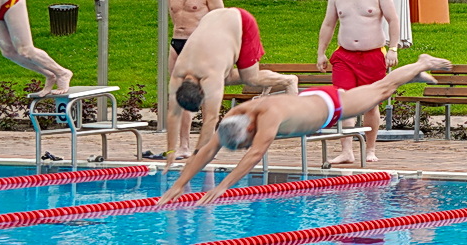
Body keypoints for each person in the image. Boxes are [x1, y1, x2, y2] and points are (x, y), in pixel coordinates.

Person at [159, 54, 452, 204]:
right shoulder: (236, 116)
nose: (247, 146)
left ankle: (420, 63)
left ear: (248, 130)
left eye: (246, 142)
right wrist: (178, 184)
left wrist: (223, 186)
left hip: (333, 106)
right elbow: (207, 151)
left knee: (381, 88)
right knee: (380, 89)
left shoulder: (267, 118)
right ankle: (411, 75)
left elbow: (253, 157)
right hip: (312, 99)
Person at [166, 7, 300, 163]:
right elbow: (173, 114)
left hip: (241, 21)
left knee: (251, 78)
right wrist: (170, 151)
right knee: (226, 78)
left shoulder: (210, 75)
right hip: (213, 19)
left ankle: (289, 80)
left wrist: (197, 156)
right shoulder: (178, 73)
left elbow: (211, 118)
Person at [317, 0, 399, 165]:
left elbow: (392, 20)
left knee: (370, 104)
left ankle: (370, 148)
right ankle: (347, 151)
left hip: (372, 55)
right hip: (345, 55)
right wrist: (321, 52)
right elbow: (328, 25)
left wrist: (393, 49)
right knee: (344, 102)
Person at [0, 0, 69, 95]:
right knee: (8, 52)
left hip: (10, 0)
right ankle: (49, 74)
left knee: (25, 50)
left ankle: (62, 73)